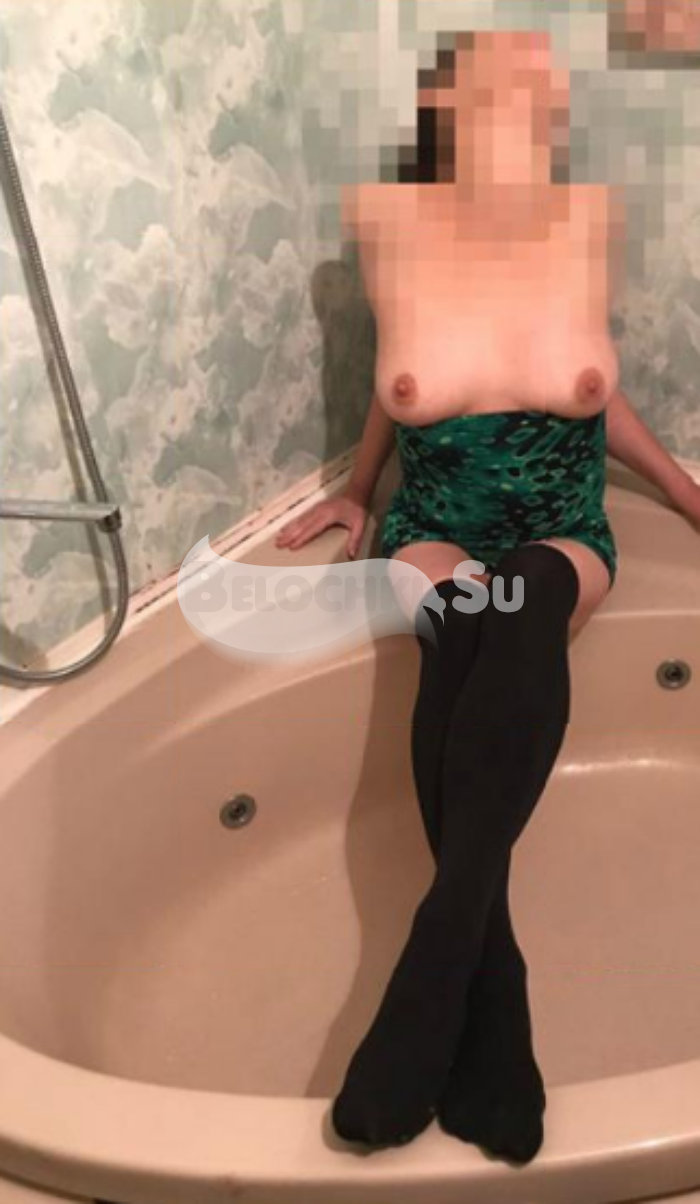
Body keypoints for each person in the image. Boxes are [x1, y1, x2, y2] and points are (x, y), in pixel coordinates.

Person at [275, 29, 700, 1165]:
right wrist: (357, 491)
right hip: (432, 526)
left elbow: (600, 390)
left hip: (564, 529)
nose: (537, 101)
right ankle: (489, 987)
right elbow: (396, 375)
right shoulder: (384, 220)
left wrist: (682, 490)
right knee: (469, 621)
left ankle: (437, 965)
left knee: (517, 597)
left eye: (545, 92)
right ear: (442, 107)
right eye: (506, 81)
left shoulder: (591, 219)